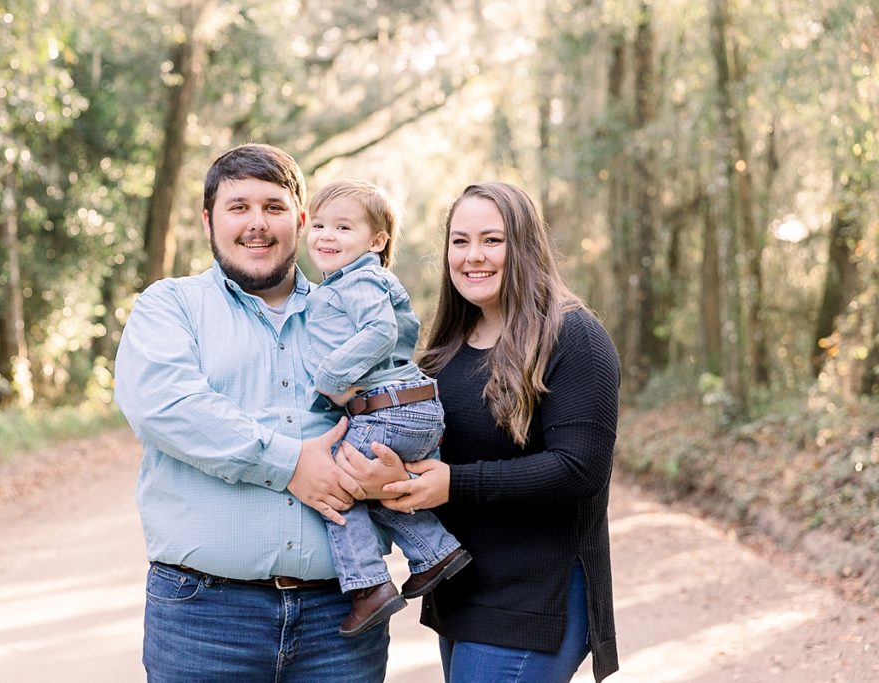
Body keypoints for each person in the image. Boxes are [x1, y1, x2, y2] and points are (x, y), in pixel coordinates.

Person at [113, 144, 390, 682]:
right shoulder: (170, 305)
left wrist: (396, 469)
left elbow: (400, 399)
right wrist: (291, 464)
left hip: (343, 617)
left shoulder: (361, 312)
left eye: (274, 207)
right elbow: (167, 406)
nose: (256, 224)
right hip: (204, 617)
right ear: (208, 220)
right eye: (238, 206)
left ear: (302, 221)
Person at [337, 182, 621, 682]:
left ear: (525, 246)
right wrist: (392, 477)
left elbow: (580, 469)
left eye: (492, 240)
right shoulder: (447, 346)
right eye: (460, 241)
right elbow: (434, 455)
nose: (473, 256)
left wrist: (453, 484)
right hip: (466, 591)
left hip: (535, 600)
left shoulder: (573, 336)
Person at [302, 179, 471, 638]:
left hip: (389, 409)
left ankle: (369, 586)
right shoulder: (342, 284)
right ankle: (435, 551)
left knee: (336, 482)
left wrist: (329, 380)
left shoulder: (360, 280)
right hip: (408, 407)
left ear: (376, 242)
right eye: (318, 224)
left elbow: (378, 332)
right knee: (372, 488)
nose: (326, 235)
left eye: (342, 226)